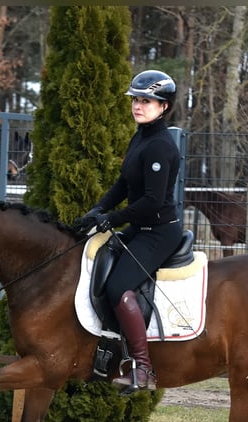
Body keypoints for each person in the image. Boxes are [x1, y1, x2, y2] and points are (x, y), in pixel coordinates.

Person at [73, 70, 183, 394]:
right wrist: (97, 210)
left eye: (146, 100)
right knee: (100, 272)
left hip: (159, 232)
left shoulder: (161, 146)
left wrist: (113, 218)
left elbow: (151, 202)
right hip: (139, 227)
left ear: (163, 107)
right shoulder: (141, 137)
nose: (138, 105)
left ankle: (143, 369)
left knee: (120, 286)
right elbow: (124, 183)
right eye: (135, 99)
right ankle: (108, 349)